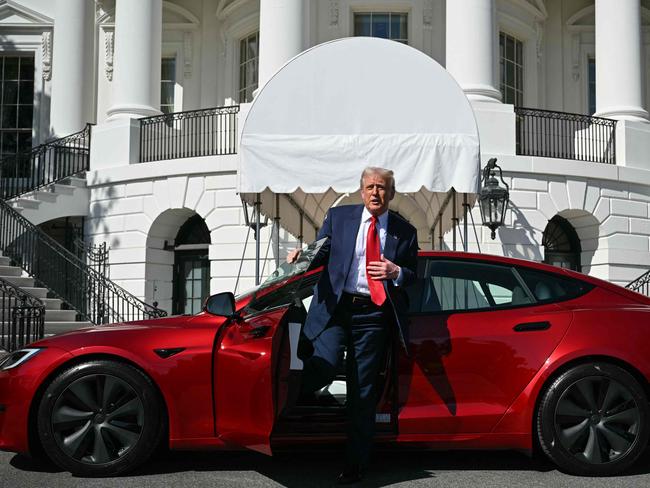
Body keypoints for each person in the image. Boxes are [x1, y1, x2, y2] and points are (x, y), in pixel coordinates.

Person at [287, 166, 418, 484]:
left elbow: (415, 277)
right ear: (362, 191)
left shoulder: (405, 231)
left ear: (392, 193)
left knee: (363, 390)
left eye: (383, 187)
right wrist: (301, 256)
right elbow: (321, 253)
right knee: (326, 364)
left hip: (373, 315)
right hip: (336, 308)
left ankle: (355, 463)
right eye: (371, 186)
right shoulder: (339, 217)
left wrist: (396, 271)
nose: (376, 192)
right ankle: (286, 407)